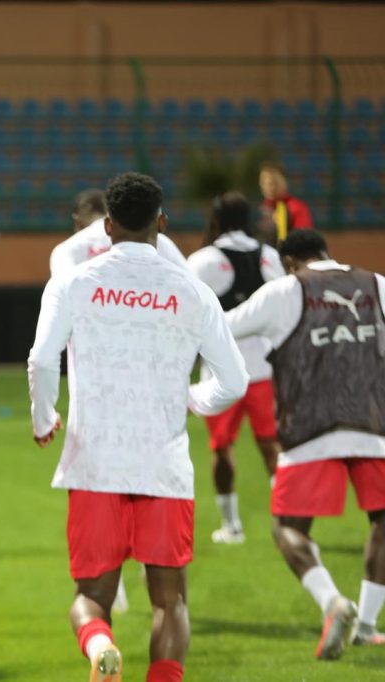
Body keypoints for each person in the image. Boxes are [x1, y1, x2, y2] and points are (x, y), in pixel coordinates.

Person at [28, 172, 248, 682]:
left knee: (90, 599)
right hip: (163, 465)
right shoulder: (191, 291)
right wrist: (193, 398)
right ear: (162, 222)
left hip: (95, 463)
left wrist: (45, 419)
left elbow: (42, 360)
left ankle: (101, 646)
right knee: (170, 604)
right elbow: (234, 381)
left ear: (107, 225)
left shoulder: (74, 282)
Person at [225, 230, 385, 658]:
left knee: (289, 529)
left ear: (289, 261)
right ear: (327, 254)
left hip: (310, 429)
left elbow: (221, 329)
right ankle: (367, 624)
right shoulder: (377, 284)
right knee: (383, 520)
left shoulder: (282, 290)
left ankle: (331, 600)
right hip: (376, 425)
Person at [186, 191, 285, 544]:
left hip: (219, 374)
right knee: (271, 445)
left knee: (222, 448)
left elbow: (188, 314)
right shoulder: (270, 257)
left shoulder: (202, 260)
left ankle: (232, 526)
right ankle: (287, 522)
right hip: (265, 370)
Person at [49, 189, 188, 280]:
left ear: (77, 221)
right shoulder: (157, 240)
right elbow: (191, 283)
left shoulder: (67, 249)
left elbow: (62, 293)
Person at [259, 161, 314, 245]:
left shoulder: (296, 208)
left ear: (285, 182)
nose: (268, 186)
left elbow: (304, 242)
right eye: (263, 182)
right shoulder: (262, 208)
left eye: (274, 182)